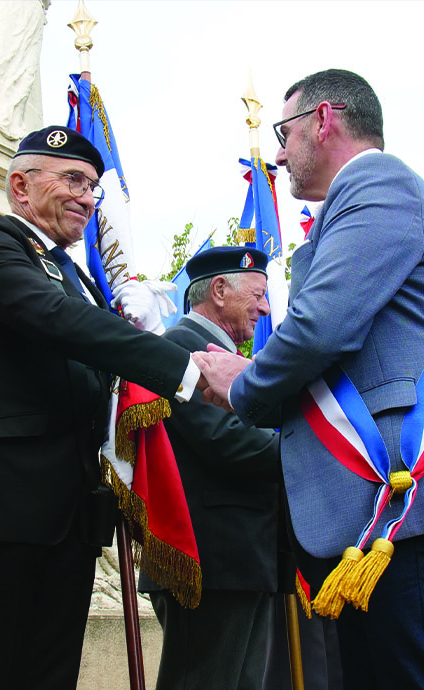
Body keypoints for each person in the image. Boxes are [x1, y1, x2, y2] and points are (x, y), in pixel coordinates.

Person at [194, 68, 424, 690]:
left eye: (284, 133)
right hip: (377, 511)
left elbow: (321, 328)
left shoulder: (377, 182)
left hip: (408, 504)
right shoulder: (358, 201)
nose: (280, 153)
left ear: (324, 119)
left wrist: (243, 382)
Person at [0, 125, 204, 690]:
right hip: (5, 505)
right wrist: (182, 366)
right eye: (74, 180)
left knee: (50, 676)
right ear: (20, 186)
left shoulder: (80, 279)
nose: (87, 197)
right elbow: (58, 322)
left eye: (94, 187)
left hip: (74, 514)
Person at [138, 246, 284, 690]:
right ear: (219, 290)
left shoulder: (231, 360)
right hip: (207, 561)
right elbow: (225, 441)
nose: (265, 307)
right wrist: (311, 444)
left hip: (241, 560)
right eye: (257, 294)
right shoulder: (179, 349)